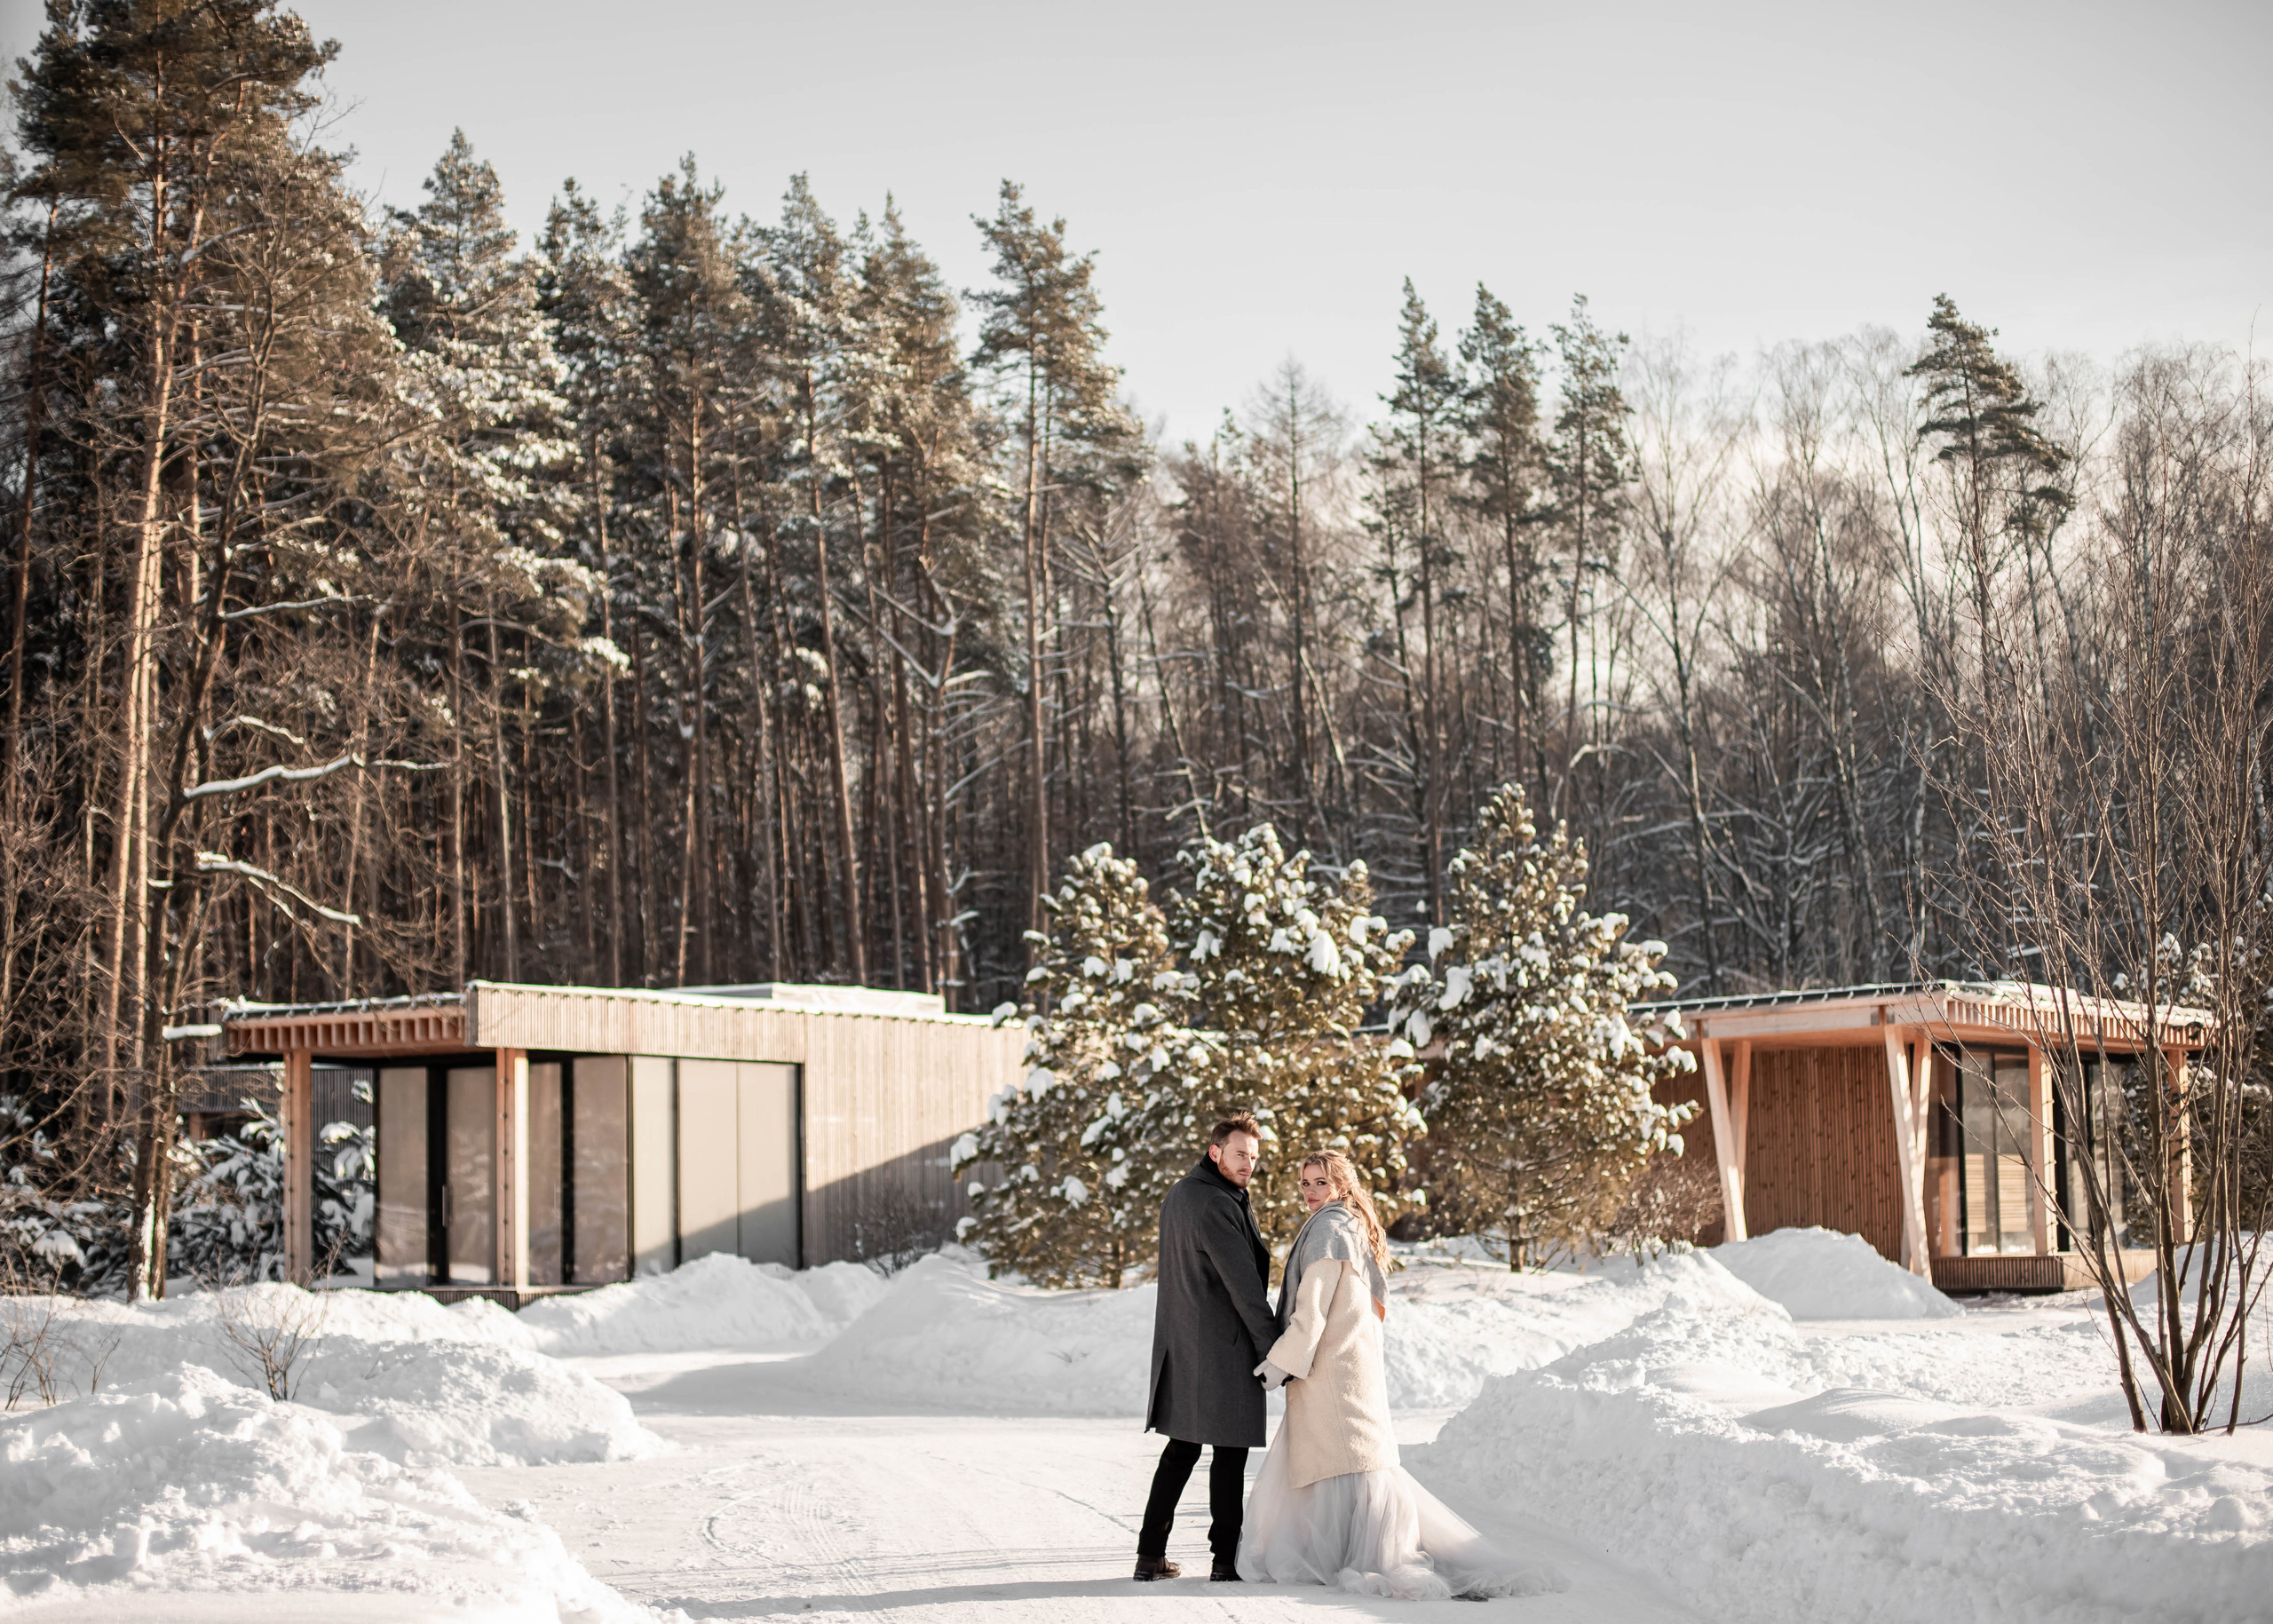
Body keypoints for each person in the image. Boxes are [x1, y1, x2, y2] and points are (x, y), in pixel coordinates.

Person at [1238, 1150, 1567, 1600]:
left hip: (1331, 1371)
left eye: (1320, 1183)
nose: (1310, 1192)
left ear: (1342, 1185)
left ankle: (1354, 1556)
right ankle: (1356, 1550)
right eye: (1305, 1184)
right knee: (1357, 1466)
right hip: (1353, 1367)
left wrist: (1278, 1364)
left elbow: (1311, 1314)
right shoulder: (1353, 1226)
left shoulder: (1330, 1231)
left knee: (1340, 1465)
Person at [1135, 1113, 1278, 1582]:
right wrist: (1272, 1349)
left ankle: (1150, 1555)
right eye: (1240, 1154)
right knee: (1230, 1453)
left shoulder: (1181, 1192)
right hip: (1222, 1348)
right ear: (1215, 1152)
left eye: (1254, 1157)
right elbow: (1244, 1288)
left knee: (1182, 1450)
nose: (1248, 1165)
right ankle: (1224, 1562)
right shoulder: (1216, 1203)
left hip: (1185, 1342)